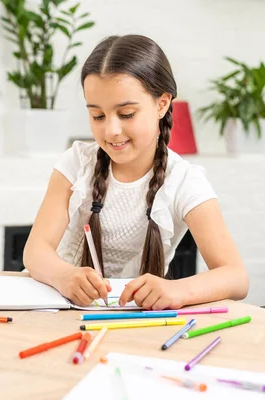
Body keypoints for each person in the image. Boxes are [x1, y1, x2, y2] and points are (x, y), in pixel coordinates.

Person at [23, 34, 249, 310]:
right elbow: (35, 251)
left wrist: (177, 290)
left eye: (126, 114)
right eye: (97, 116)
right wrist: (64, 276)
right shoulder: (76, 162)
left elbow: (236, 277)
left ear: (162, 104)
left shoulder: (184, 180)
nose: (111, 131)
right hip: (56, 308)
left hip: (134, 320)